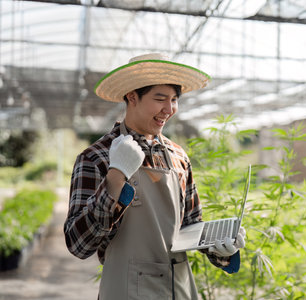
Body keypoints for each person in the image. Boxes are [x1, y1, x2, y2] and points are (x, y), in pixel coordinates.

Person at [63, 53, 246, 300]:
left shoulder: (178, 156)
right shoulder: (96, 157)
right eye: (160, 99)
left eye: (173, 99)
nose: (168, 109)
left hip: (179, 288)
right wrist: (116, 176)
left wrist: (220, 247)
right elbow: (78, 244)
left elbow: (190, 225)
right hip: (125, 290)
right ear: (132, 97)